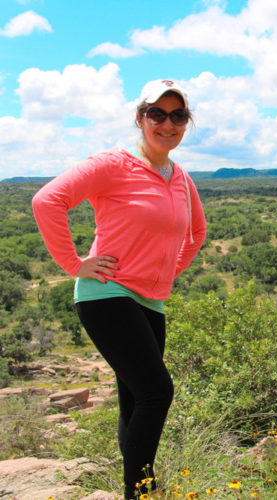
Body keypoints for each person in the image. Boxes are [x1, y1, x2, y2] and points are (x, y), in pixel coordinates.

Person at [32, 79, 207, 499]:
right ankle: (141, 494)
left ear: (186, 122)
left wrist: (165, 274)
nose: (167, 123)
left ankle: (135, 490)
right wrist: (75, 264)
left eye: (177, 115)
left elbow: (196, 233)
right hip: (106, 294)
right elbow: (46, 201)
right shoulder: (113, 164)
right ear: (140, 118)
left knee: (135, 401)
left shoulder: (179, 177)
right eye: (157, 114)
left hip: (151, 300)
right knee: (156, 391)